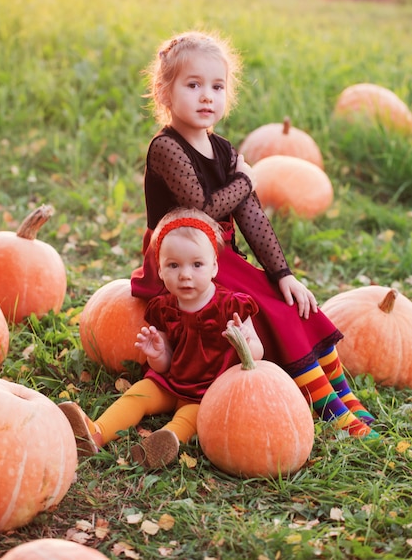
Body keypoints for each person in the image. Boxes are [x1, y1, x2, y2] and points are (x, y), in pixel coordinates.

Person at [131, 29, 379, 440]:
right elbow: (203, 210)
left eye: (217, 86)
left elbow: (251, 218)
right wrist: (246, 180)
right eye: (193, 85)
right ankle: (330, 411)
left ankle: (344, 395)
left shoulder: (225, 151)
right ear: (165, 93)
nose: (207, 96)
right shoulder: (167, 148)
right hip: (180, 261)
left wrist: (282, 274)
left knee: (290, 300)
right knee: (273, 315)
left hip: (217, 259)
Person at [60, 208, 264, 467]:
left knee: (191, 418)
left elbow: (257, 354)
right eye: (173, 265)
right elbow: (165, 365)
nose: (185, 274)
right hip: (172, 382)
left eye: (197, 264)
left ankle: (161, 445)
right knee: (139, 393)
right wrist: (157, 354)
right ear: (161, 270)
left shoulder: (232, 306)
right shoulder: (164, 308)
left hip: (208, 393)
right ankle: (95, 433)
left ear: (214, 266)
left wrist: (247, 341)